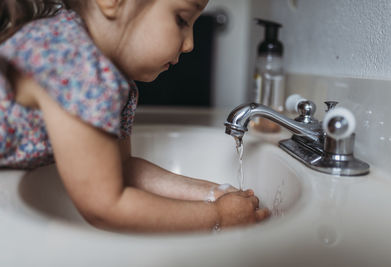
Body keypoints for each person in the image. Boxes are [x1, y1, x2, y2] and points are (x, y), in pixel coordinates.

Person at [0, 0, 270, 232]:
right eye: (181, 19)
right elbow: (104, 205)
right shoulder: (72, 59)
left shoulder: (112, 79)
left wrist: (214, 194)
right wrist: (219, 216)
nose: (190, 44)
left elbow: (122, 168)